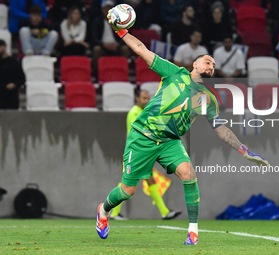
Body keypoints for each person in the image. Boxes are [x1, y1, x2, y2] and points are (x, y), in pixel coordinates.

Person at [96, 8, 269, 245]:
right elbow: (141, 50)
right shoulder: (173, 72)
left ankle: (193, 231)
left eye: (213, 66)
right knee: (127, 191)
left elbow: (221, 129)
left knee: (189, 173)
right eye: (208, 61)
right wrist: (122, 31)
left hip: (169, 142)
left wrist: (244, 151)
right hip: (143, 136)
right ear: (195, 62)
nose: (211, 66)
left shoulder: (208, 99)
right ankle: (103, 211)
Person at [110, 89, 182, 220]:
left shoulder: (144, 112)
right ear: (137, 99)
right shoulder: (134, 112)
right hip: (136, 153)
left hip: (142, 153)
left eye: (148, 98)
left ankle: (164, 212)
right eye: (144, 98)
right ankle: (114, 212)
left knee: (147, 180)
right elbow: (142, 132)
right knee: (128, 184)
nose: (147, 101)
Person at [91, 0, 130, 77]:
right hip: (103, 47)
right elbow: (94, 39)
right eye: (106, 9)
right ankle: (96, 73)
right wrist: (103, 45)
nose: (108, 11)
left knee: (125, 49)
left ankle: (125, 72)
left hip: (116, 46)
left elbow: (125, 37)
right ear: (102, 10)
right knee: (96, 49)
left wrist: (118, 44)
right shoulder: (97, 22)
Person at [0, 40, 25, 109]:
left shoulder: (14, 62)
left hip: (11, 98)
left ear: (4, 47)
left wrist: (14, 85)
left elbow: (22, 79)